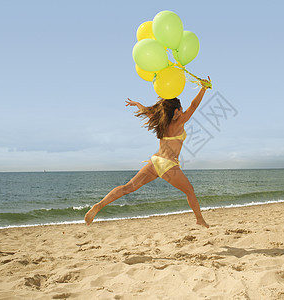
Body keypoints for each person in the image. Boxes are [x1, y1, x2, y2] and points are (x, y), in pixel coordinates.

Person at [84, 77, 212, 228]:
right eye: (181, 109)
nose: (183, 111)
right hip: (168, 165)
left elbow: (146, 112)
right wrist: (203, 88)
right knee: (190, 191)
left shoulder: (161, 122)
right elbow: (194, 105)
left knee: (127, 187)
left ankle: (99, 205)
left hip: (155, 162)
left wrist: (137, 104)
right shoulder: (179, 120)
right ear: (176, 111)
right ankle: (199, 219)